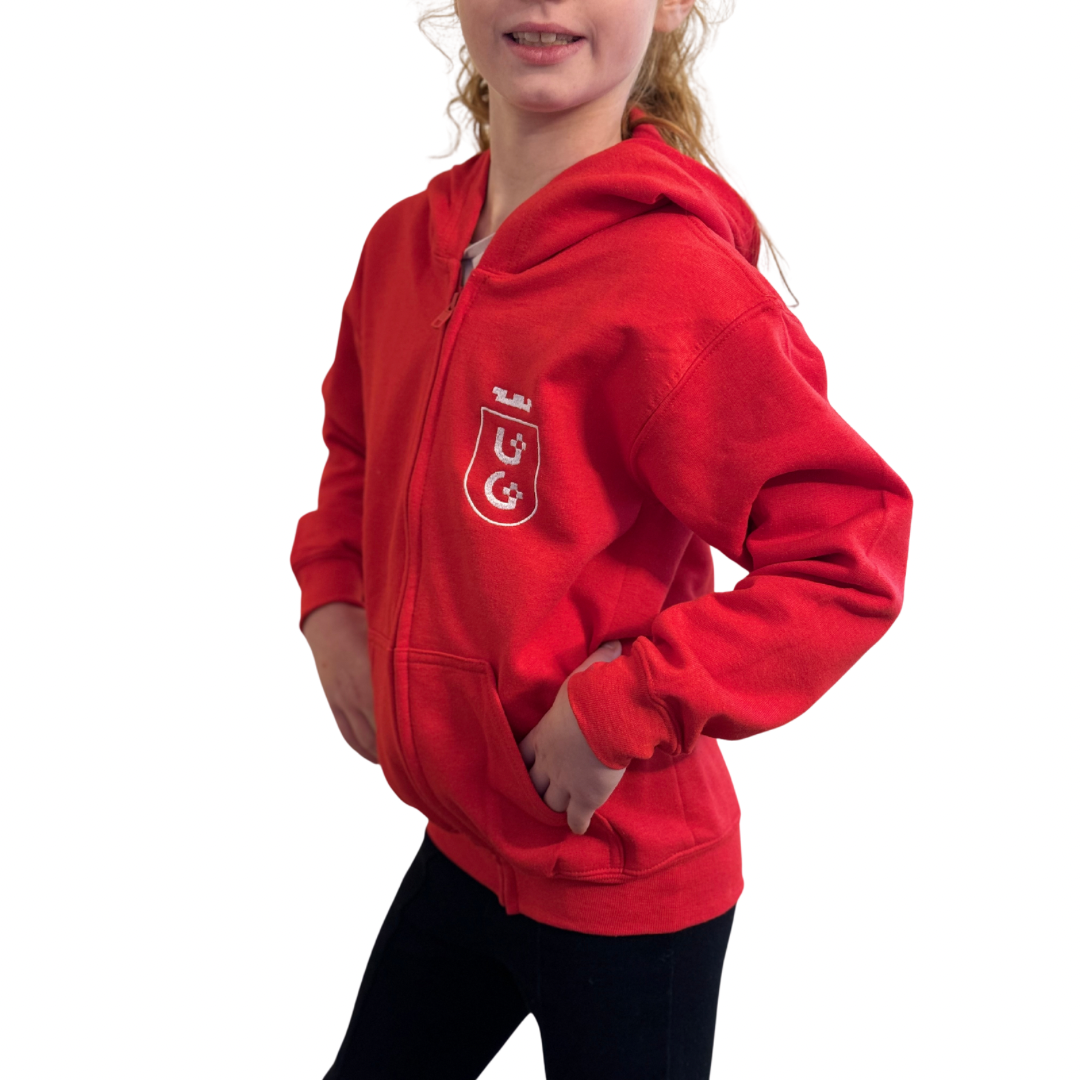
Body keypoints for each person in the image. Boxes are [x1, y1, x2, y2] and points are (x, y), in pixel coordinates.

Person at [291, 1, 913, 1076]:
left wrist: (621, 709)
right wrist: (331, 601)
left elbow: (849, 552)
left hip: (631, 884)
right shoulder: (401, 250)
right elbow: (357, 445)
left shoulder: (676, 287)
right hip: (465, 846)